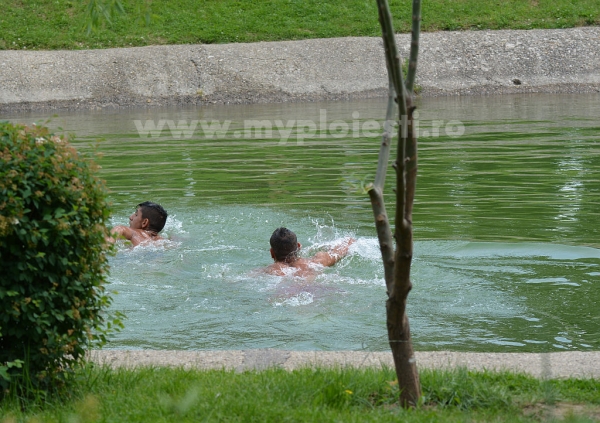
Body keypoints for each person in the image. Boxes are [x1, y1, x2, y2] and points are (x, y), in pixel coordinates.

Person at [265, 227, 355, 277]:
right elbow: (349, 241)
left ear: (272, 252)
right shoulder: (315, 262)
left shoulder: (270, 271)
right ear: (299, 247)